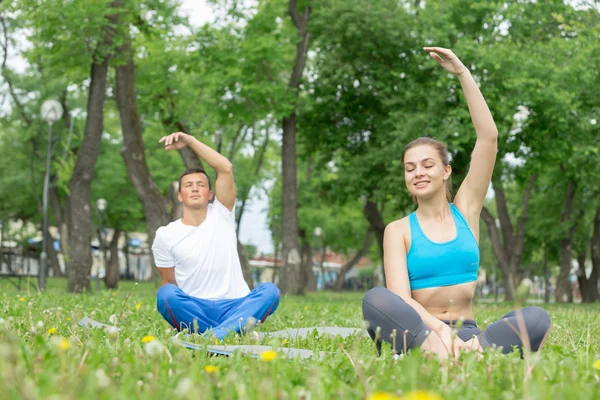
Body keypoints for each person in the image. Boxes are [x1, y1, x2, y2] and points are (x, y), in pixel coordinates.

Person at [362, 47, 550, 359]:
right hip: (419, 329)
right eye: (410, 168)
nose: (418, 173)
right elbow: (399, 297)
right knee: (376, 300)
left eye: (427, 165)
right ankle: (440, 351)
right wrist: (439, 331)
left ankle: (472, 351)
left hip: (468, 330)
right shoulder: (398, 230)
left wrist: (462, 74)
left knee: (537, 318)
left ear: (446, 170)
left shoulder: (466, 210)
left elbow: (488, 137)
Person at [152, 131, 280, 339]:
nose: (195, 189)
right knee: (165, 295)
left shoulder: (222, 213)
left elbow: (225, 168)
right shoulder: (166, 235)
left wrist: (190, 141)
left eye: (201, 185)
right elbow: (169, 282)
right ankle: (231, 332)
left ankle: (210, 337)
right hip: (197, 309)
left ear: (210, 194)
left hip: (236, 305)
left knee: (270, 291)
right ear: (180, 195)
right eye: (188, 185)